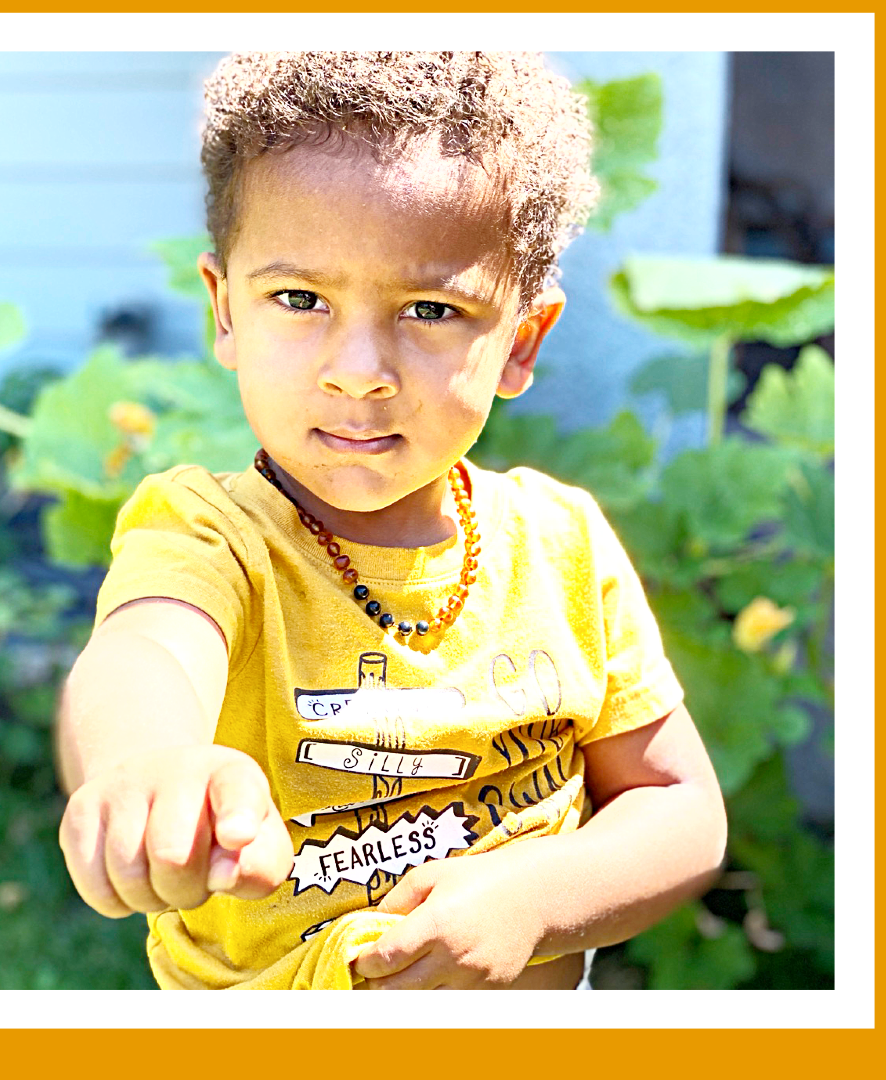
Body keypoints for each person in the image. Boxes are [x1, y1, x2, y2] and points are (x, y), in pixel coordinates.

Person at [56, 51, 727, 990]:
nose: (359, 368)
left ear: (520, 342)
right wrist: (147, 761)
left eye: (429, 308)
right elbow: (148, 654)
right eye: (300, 300)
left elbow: (677, 806)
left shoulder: (562, 544)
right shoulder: (212, 536)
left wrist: (530, 900)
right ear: (224, 310)